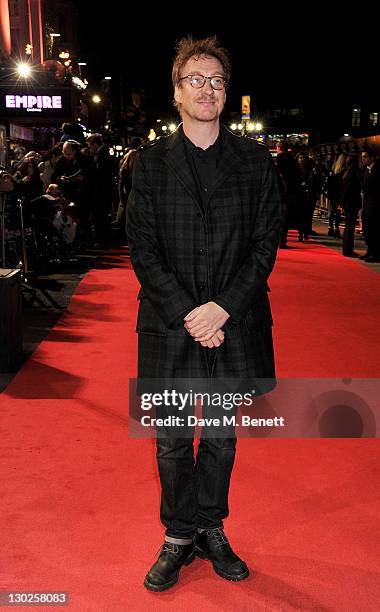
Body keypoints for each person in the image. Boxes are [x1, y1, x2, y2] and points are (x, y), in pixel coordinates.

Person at [127, 36, 280, 592]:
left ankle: (211, 527)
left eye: (216, 80)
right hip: (170, 326)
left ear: (226, 90)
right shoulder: (149, 164)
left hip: (233, 322)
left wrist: (223, 309)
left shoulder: (255, 161)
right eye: (196, 79)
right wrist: (190, 312)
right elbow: (142, 248)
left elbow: (266, 245)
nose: (207, 88)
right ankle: (177, 533)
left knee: (219, 436)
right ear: (176, 92)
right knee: (170, 440)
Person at [86, 133, 116, 245]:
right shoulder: (104, 153)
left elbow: (101, 175)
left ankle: (102, 239)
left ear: (94, 144)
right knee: (102, 217)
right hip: (104, 191)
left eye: (90, 146)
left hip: (101, 192)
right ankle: (103, 239)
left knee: (100, 217)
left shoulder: (102, 155)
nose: (89, 148)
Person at [360, 147, 380, 262]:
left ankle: (376, 253)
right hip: (367, 204)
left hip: (375, 205)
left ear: (372, 158)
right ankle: (370, 250)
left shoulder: (377, 170)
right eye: (362, 157)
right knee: (367, 230)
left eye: (365, 157)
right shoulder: (366, 170)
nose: (363, 159)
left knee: (374, 230)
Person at [341, 154, 362, 257]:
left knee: (348, 227)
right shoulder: (353, 174)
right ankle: (348, 250)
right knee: (350, 227)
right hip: (352, 203)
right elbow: (353, 191)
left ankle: (347, 249)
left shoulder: (346, 173)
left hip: (348, 203)